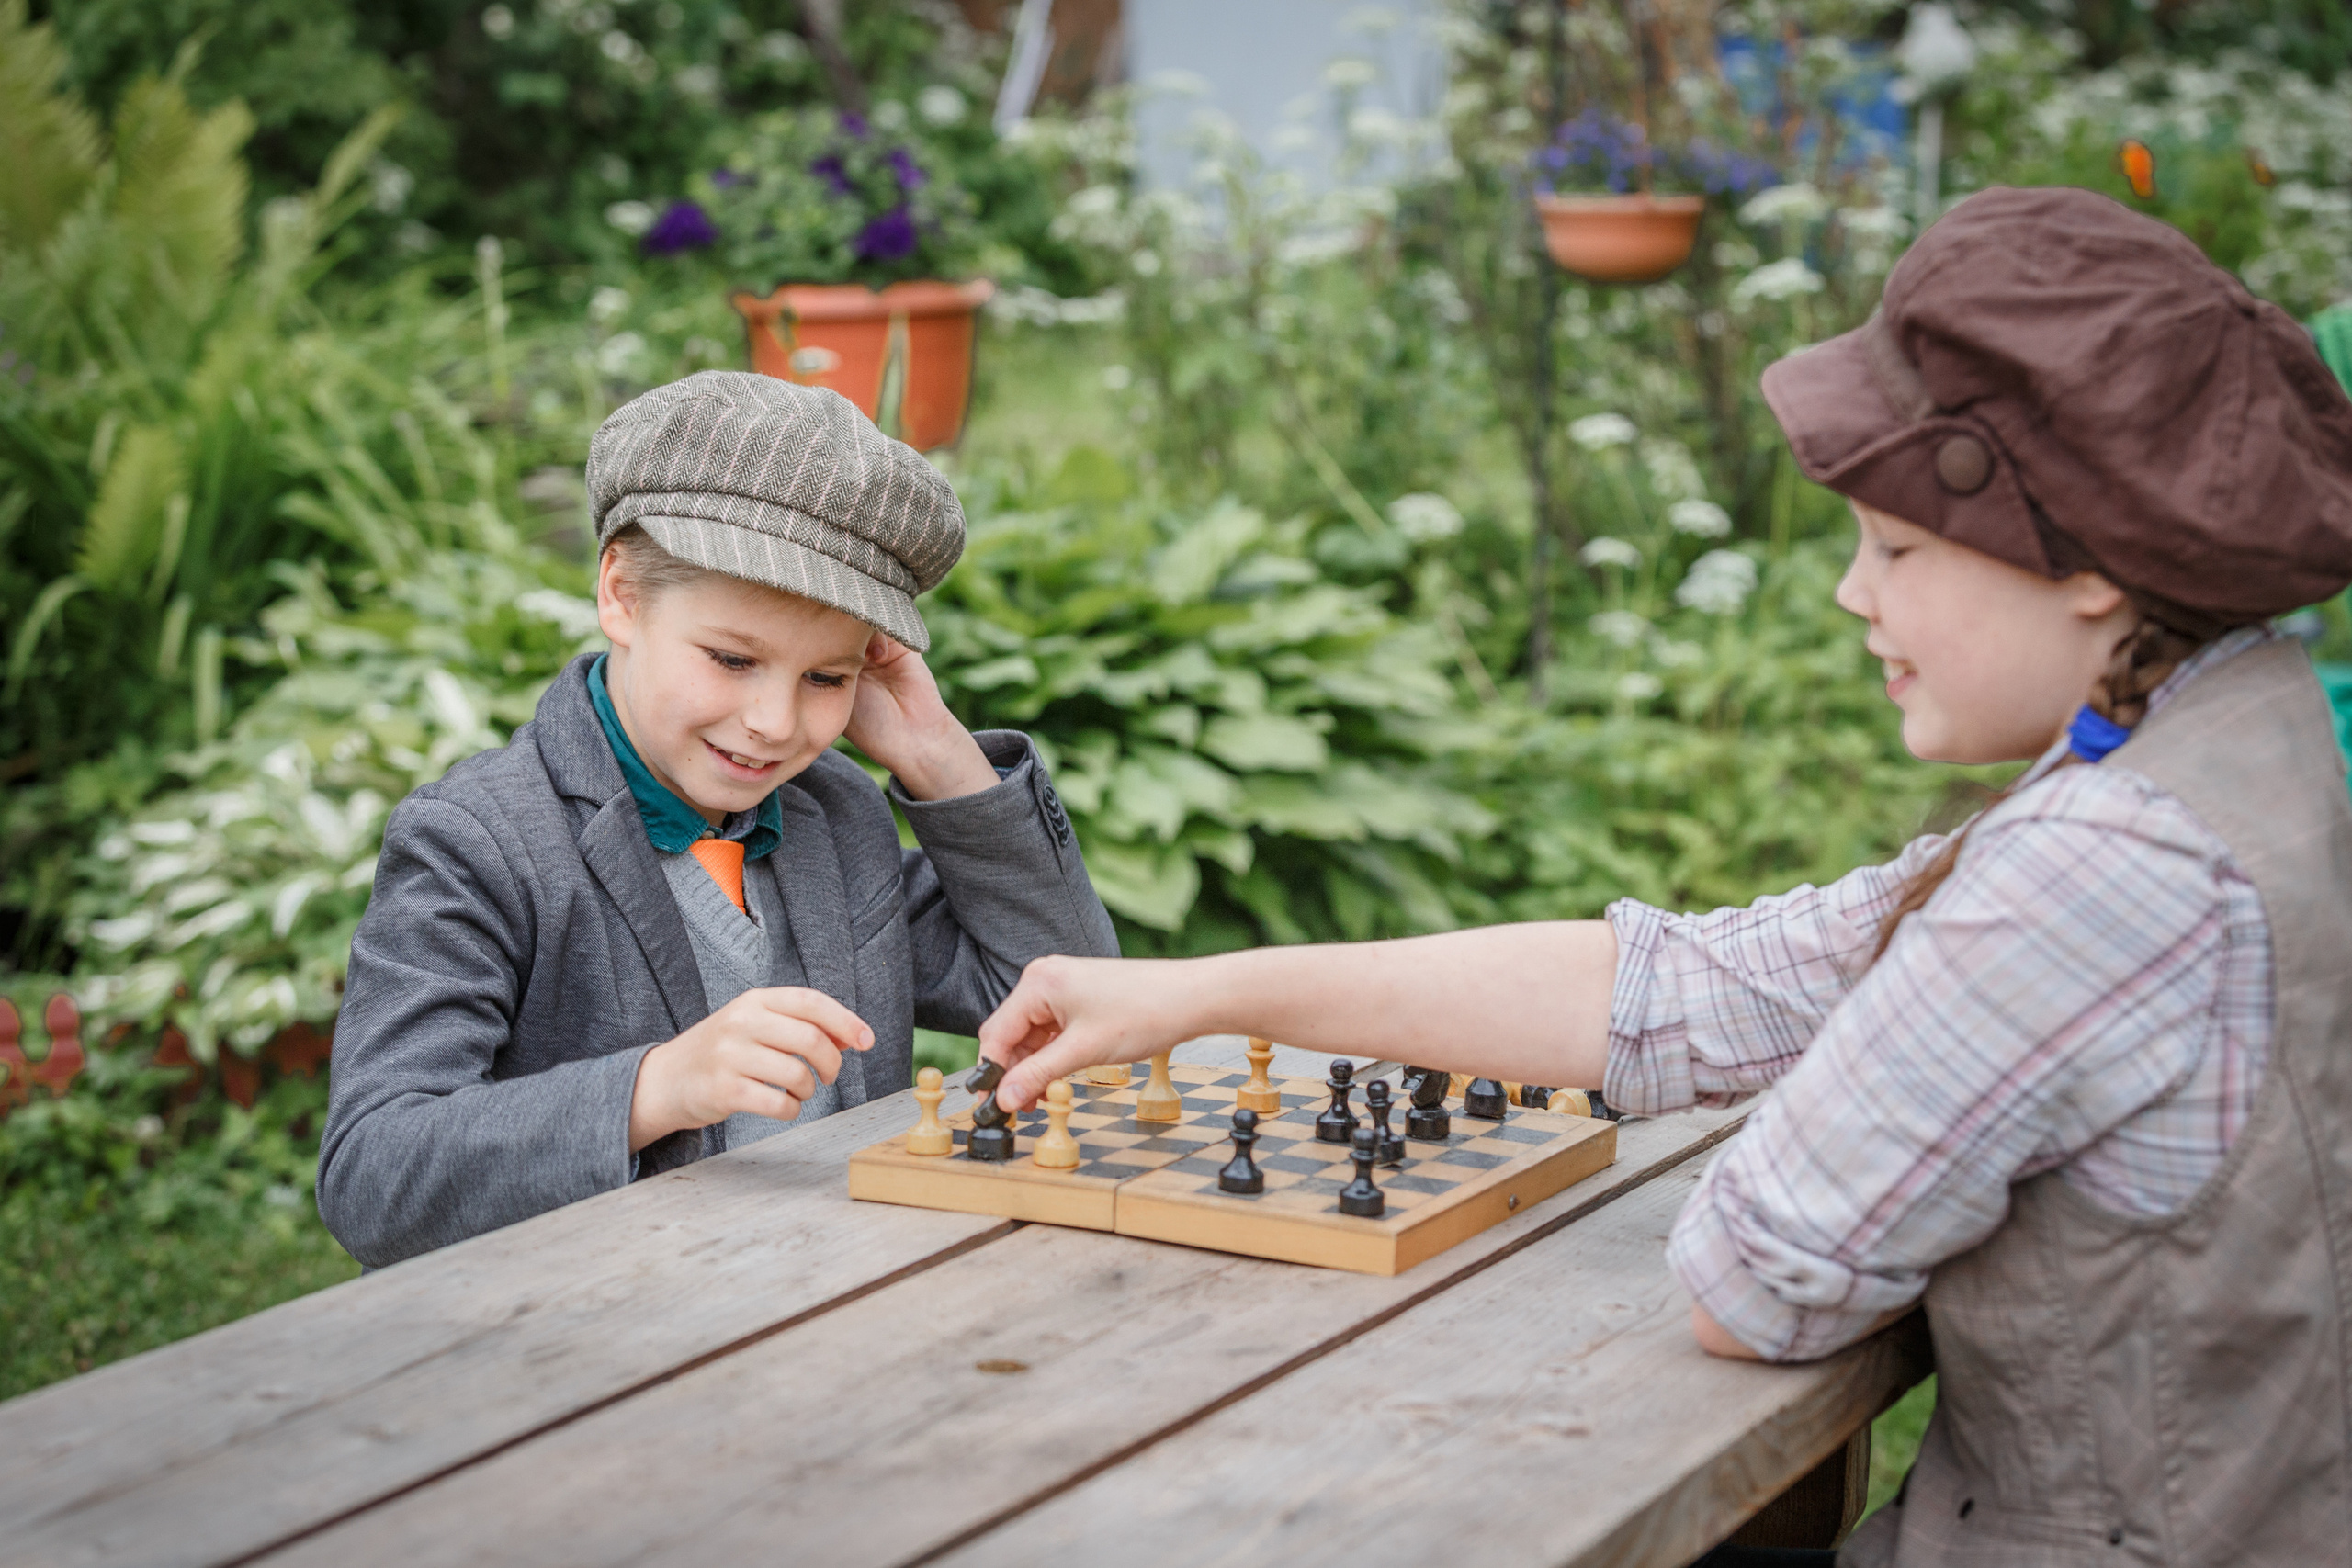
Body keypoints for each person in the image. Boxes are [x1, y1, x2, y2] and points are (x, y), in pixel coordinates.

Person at [972, 186, 2352, 1564]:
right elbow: (1701, 982)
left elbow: (1755, 1282)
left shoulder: (2095, 876)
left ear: (2092, 570)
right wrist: (1203, 993)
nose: (1852, 594)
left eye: (1902, 546)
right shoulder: (2233, 728)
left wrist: (1884, 1072)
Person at [321, 372, 1118, 1268]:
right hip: (588, 1344)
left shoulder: (836, 814)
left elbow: (1062, 999)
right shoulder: (477, 841)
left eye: (827, 678)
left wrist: (936, 756)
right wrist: (652, 1089)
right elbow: (371, 1174)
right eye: (732, 658)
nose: (776, 723)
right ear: (621, 594)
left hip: (835, 1304)